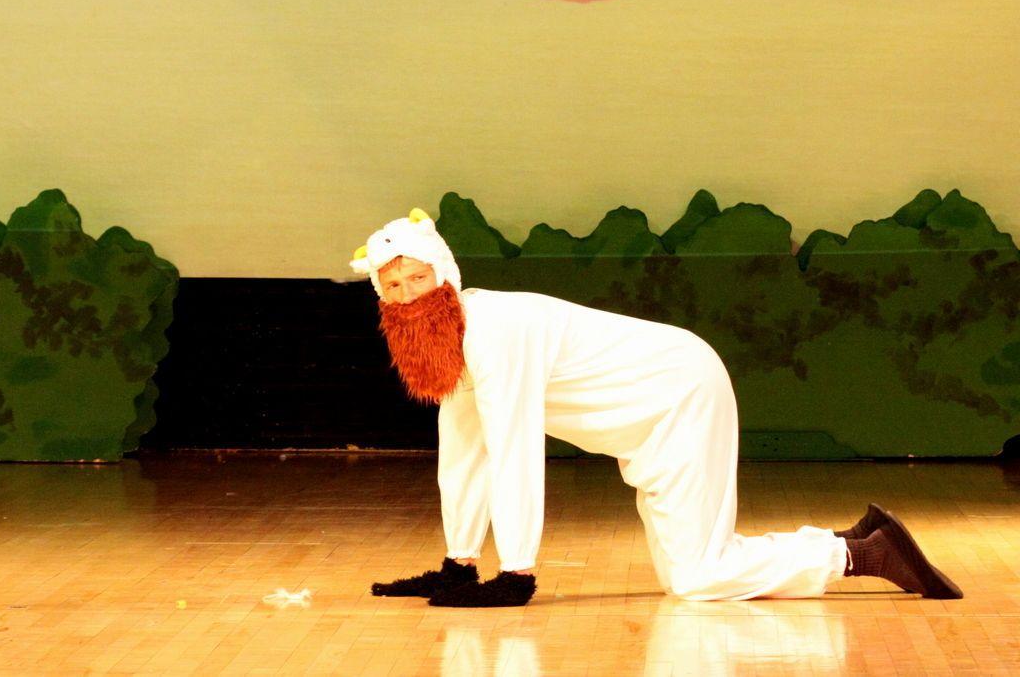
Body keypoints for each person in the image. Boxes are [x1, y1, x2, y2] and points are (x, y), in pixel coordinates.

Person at [351, 209, 963, 607]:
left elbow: (514, 451)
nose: (406, 297)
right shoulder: (453, 343)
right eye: (392, 286)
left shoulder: (493, 332)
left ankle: (863, 555)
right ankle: (848, 538)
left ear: (446, 277)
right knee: (688, 574)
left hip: (679, 393)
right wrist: (458, 563)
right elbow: (465, 450)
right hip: (649, 425)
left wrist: (516, 573)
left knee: (698, 577)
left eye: (418, 279)